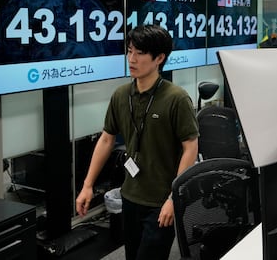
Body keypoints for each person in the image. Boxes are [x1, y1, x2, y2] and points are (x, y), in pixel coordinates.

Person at [76, 24, 199, 260]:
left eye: (140, 53)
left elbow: (190, 148)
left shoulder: (176, 98)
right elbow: (106, 139)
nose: (132, 59)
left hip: (162, 199)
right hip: (130, 196)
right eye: (129, 51)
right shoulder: (121, 95)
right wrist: (88, 184)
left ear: (159, 58)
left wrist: (174, 197)